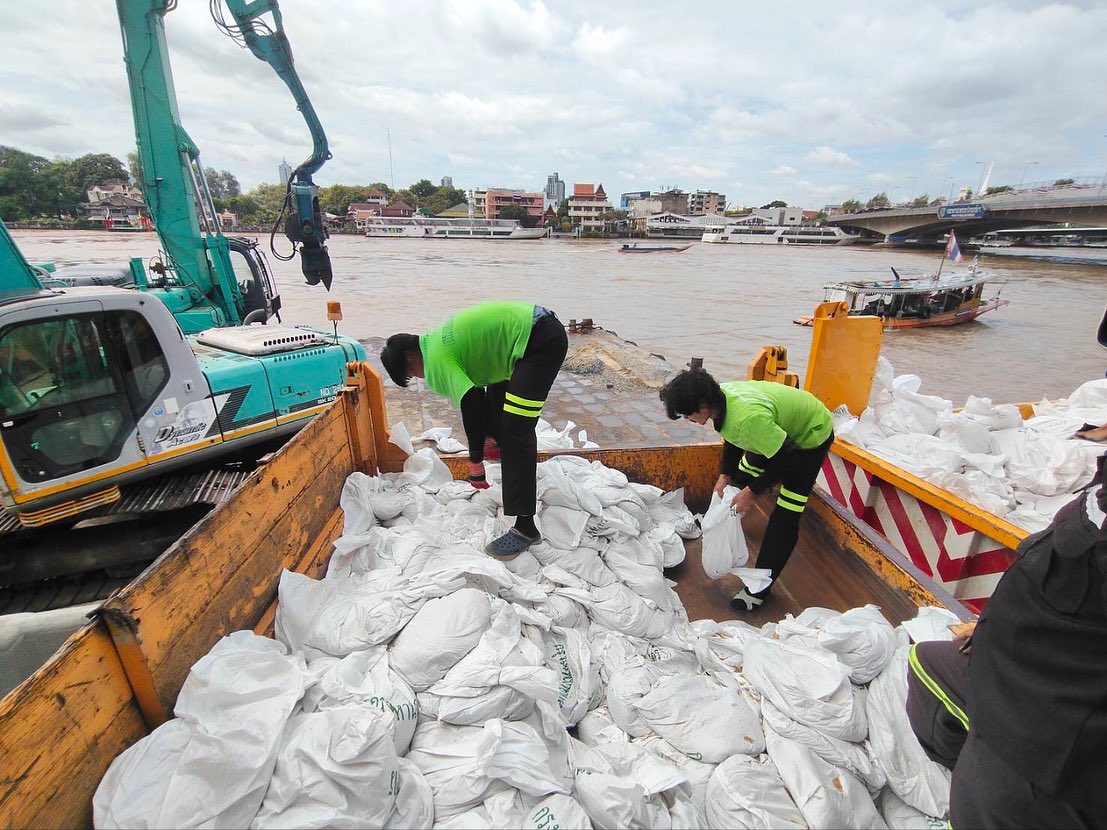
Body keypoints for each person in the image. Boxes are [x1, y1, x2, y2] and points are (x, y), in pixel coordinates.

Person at [905, 456, 1107, 827]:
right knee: (923, 662)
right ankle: (959, 758)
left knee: (982, 809)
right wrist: (991, 625)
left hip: (1049, 733)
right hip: (1011, 657)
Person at [380, 301, 568, 558]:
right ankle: (515, 472)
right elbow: (481, 393)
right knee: (502, 416)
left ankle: (525, 529)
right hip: (534, 331)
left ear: (411, 358)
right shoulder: (437, 341)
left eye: (412, 374)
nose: (420, 378)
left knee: (516, 429)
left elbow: (470, 404)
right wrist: (489, 436)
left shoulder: (434, 361)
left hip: (539, 342)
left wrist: (475, 460)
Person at [660, 368, 834, 612]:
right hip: (775, 433)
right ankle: (716, 521)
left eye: (687, 414)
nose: (687, 419)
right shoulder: (722, 401)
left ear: (703, 405)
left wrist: (752, 492)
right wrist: (725, 474)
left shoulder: (749, 419)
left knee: (786, 513)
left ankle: (760, 588)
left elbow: (788, 460)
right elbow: (732, 436)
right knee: (738, 479)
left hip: (807, 439)